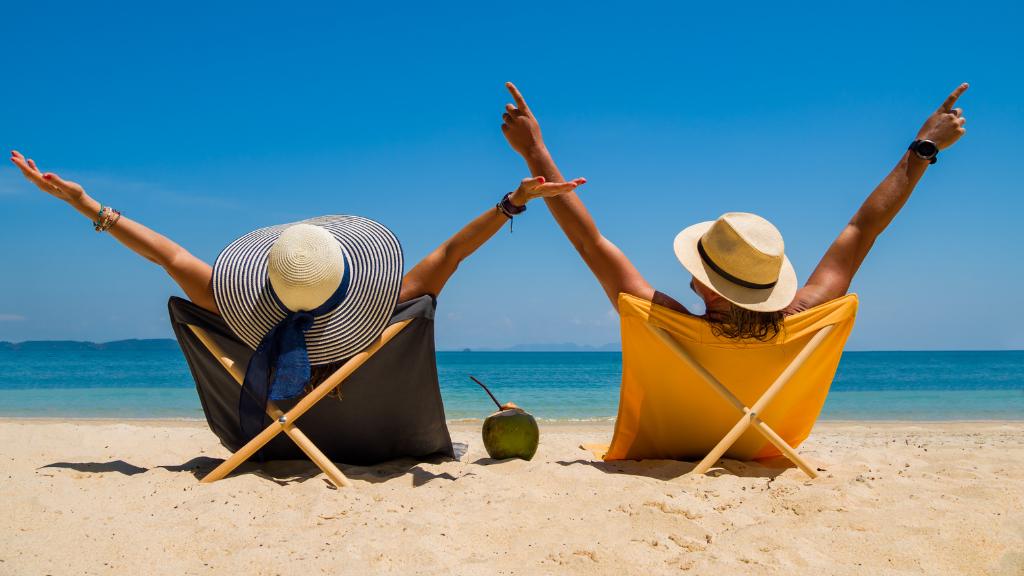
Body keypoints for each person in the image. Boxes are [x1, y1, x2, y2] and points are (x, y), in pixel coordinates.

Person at [8, 149, 585, 413]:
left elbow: (168, 256)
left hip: (263, 438)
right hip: (374, 434)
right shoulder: (390, 309)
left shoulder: (228, 306)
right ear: (356, 277)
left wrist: (86, 205)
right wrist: (513, 201)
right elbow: (455, 252)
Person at [499, 82, 968, 339]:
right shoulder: (803, 317)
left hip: (687, 443)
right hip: (765, 438)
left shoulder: (669, 324)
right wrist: (922, 147)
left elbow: (589, 242)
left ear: (701, 280)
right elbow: (863, 229)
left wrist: (535, 152)